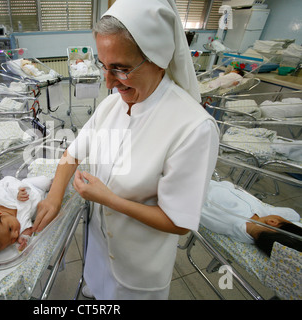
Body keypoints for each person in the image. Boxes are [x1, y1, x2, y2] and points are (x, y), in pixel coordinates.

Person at [32, 0, 219, 300]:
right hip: (98, 250)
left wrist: (109, 199)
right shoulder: (112, 106)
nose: (107, 82)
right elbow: (73, 154)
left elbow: (178, 222)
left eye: (120, 69)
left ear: (158, 59)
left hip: (138, 271)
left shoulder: (192, 128)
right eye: (104, 66)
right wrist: (54, 197)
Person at [201, 180, 302, 256]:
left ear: (273, 222)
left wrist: (227, 184)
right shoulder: (251, 230)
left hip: (204, 184)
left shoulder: (233, 220)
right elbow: (294, 215)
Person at [0, 175, 52, 253]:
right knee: (48, 213)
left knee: (45, 181)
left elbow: (6, 181)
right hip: (43, 202)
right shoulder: (16, 224)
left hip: (33, 188)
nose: (15, 235)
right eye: (10, 241)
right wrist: (24, 238)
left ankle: (54, 183)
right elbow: (28, 229)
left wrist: (16, 192)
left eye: (10, 229)